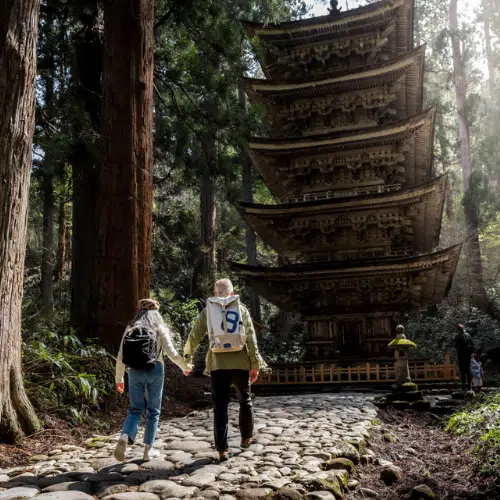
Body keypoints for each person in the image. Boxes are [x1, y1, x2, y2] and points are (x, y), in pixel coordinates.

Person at [183, 279, 265, 461]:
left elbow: (194, 335)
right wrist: (255, 364)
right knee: (245, 400)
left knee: (220, 407)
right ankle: (246, 438)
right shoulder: (241, 310)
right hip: (241, 364)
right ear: (231, 293)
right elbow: (251, 339)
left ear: (215, 292)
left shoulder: (207, 311)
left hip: (217, 364)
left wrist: (186, 358)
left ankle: (222, 449)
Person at [114, 298, 192, 462]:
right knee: (153, 411)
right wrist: (185, 366)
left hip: (134, 371)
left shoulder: (130, 328)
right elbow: (171, 353)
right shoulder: (159, 328)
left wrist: (119, 379)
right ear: (155, 312)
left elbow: (121, 356)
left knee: (135, 409)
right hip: (155, 369)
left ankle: (125, 435)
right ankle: (148, 450)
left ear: (139, 311)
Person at [454, 324, 475, 392]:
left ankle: (463, 386)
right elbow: (472, 344)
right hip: (468, 356)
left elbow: (456, 345)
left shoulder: (458, 336)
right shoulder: (468, 335)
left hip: (461, 356)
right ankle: (469, 387)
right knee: (468, 371)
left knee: (462, 371)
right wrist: (472, 352)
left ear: (458, 329)